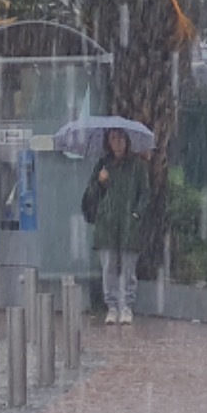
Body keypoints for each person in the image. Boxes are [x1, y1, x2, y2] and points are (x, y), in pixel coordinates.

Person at [82, 127, 151, 325]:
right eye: (113, 138)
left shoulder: (137, 165)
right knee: (109, 268)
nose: (117, 142)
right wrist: (99, 181)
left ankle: (126, 306)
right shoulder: (103, 165)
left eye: (120, 138)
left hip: (129, 225)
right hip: (107, 225)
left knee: (129, 268)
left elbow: (145, 193)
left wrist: (137, 213)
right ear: (108, 142)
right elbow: (91, 196)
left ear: (127, 141)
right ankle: (111, 307)